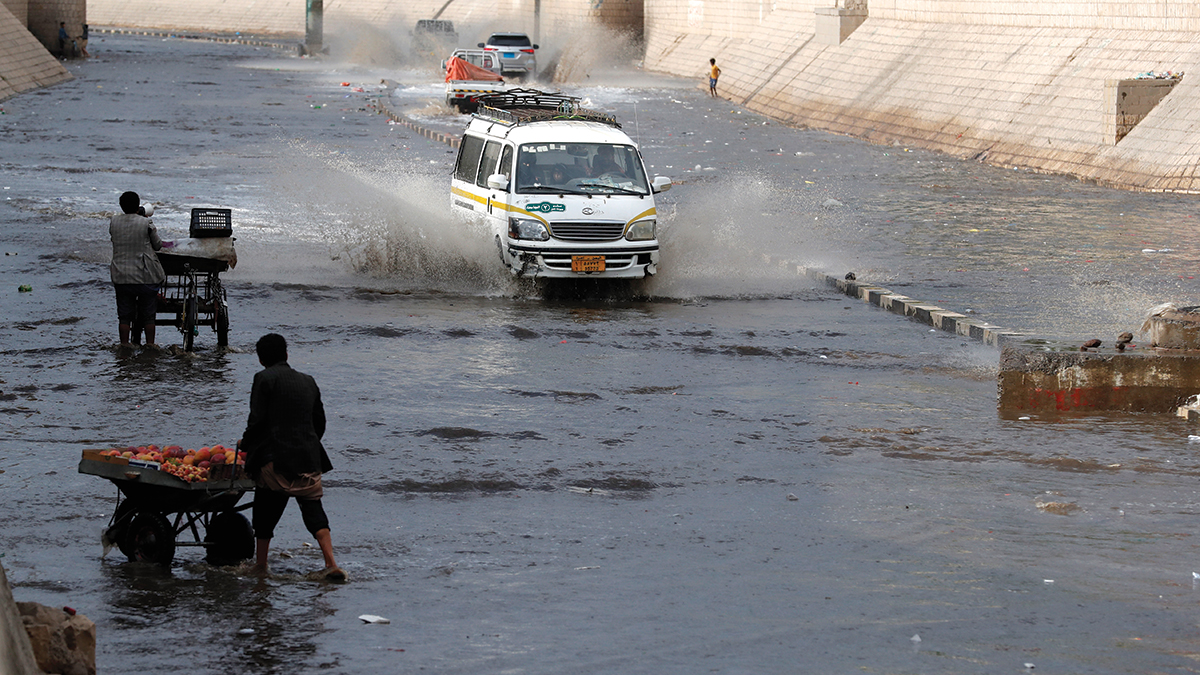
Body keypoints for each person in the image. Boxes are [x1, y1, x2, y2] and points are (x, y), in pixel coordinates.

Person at [239, 333, 346, 581]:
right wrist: (305, 443)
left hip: (276, 463)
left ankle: (261, 565)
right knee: (313, 510)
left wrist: (245, 444)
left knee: (265, 505)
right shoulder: (308, 381)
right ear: (287, 355)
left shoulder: (263, 378)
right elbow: (319, 423)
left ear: (260, 359)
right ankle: (331, 563)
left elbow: (256, 421)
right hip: (309, 462)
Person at [109, 191, 164, 347]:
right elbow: (158, 245)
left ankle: (125, 345)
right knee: (148, 316)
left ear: (121, 206)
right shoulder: (146, 223)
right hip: (144, 276)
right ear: (138, 205)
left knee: (124, 316)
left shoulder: (114, 222)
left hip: (122, 276)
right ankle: (150, 345)